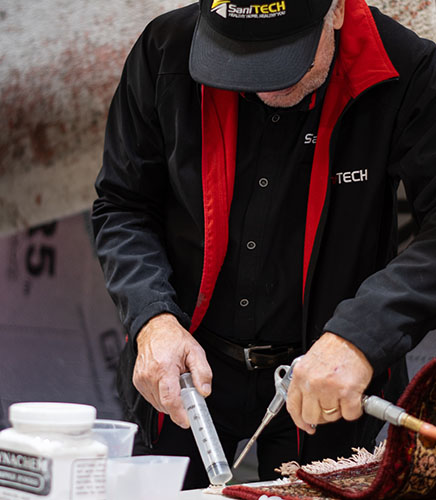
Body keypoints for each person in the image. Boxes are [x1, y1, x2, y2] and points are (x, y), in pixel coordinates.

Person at [92, 0, 436, 489]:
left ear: (336, 11)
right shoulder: (165, 50)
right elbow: (123, 204)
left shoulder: (405, 69)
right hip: (189, 367)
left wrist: (363, 335)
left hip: (325, 378)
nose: (265, 83)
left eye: (284, 57)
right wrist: (152, 318)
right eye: (240, 59)